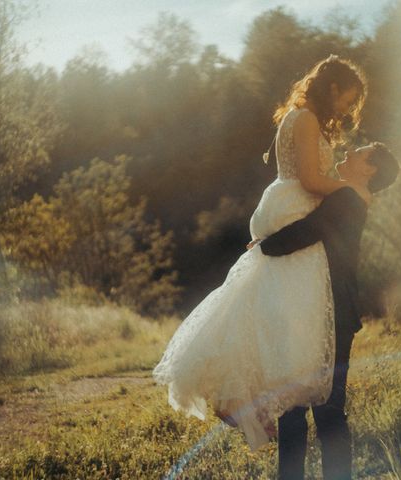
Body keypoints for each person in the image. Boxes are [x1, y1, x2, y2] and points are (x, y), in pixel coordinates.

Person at [152, 55, 368, 451]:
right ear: (333, 87)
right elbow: (309, 178)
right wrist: (350, 191)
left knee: (279, 316)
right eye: (347, 99)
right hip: (295, 208)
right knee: (285, 316)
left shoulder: (307, 119)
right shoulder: (303, 119)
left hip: (296, 209)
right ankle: (253, 402)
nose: (346, 109)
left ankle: (266, 403)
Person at [255, 143, 400, 479]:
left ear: (371, 169)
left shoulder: (350, 197)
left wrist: (263, 246)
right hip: (319, 310)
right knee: (301, 408)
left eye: (358, 153)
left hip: (331, 314)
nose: (348, 153)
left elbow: (310, 230)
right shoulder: (347, 195)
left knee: (323, 411)